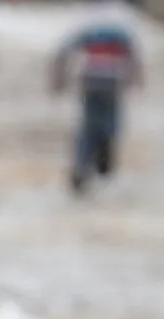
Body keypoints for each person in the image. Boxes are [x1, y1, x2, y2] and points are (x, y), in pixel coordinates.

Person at [50, 22, 143, 194]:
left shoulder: (88, 28)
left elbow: (63, 51)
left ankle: (82, 165)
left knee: (88, 125)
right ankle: (103, 160)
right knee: (108, 121)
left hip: (90, 80)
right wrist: (134, 79)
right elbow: (133, 57)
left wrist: (58, 79)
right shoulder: (121, 29)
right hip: (112, 81)